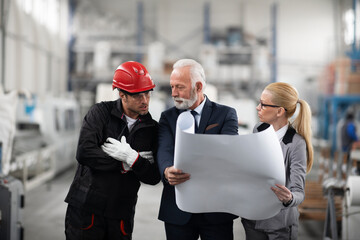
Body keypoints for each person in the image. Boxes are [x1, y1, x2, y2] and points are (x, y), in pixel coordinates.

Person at [64, 61, 161, 240]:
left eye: (147, 93)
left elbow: (154, 176)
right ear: (122, 95)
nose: (145, 100)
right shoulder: (100, 113)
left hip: (121, 213)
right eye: (138, 96)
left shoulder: (152, 129)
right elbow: (85, 152)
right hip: (87, 209)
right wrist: (123, 165)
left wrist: (134, 159)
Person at [157, 59, 239, 240]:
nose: (173, 93)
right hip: (177, 208)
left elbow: (227, 151)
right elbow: (164, 149)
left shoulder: (225, 114)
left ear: (198, 86)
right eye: (171, 87)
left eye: (179, 87)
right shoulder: (167, 117)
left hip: (216, 209)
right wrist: (167, 169)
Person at [241, 82, 313, 239]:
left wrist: (289, 198)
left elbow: (299, 192)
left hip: (279, 225)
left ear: (280, 111)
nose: (257, 107)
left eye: (263, 104)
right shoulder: (258, 130)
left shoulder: (296, 143)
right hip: (253, 220)